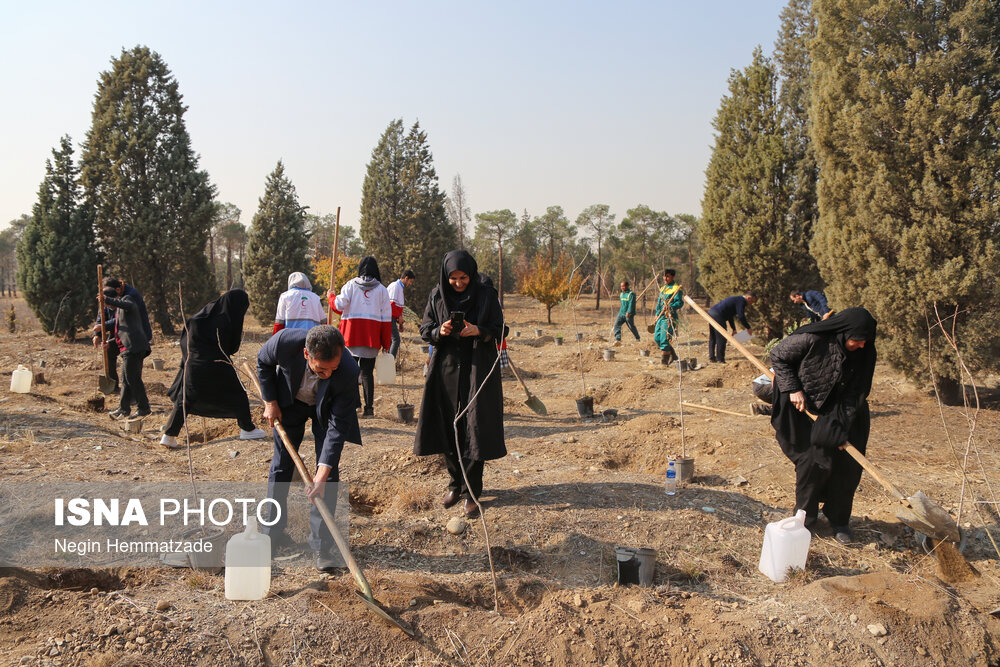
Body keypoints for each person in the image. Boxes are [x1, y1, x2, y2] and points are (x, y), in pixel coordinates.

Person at [257, 325, 362, 571]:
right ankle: (271, 534)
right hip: (289, 403)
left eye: (333, 369)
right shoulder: (285, 341)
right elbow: (263, 361)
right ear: (307, 355)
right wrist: (270, 402)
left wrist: (322, 473)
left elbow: (338, 426)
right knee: (281, 467)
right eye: (321, 369)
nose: (329, 374)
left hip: (325, 412)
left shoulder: (347, 370)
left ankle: (322, 547)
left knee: (328, 475)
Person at [769, 308, 878, 544]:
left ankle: (839, 521)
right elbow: (778, 355)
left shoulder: (865, 350)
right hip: (804, 407)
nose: (861, 346)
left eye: (865, 341)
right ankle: (805, 520)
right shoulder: (813, 338)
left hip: (844, 409)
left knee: (847, 465)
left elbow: (859, 389)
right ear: (844, 332)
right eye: (856, 340)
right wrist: (793, 389)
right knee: (812, 462)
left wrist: (842, 422)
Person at [414, 250, 506, 518]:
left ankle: (472, 493)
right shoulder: (436, 295)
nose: (458, 283)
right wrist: (437, 332)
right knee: (448, 427)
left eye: (463, 277)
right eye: (452, 278)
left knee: (473, 428)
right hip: (445, 370)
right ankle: (455, 484)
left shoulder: (486, 295)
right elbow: (424, 330)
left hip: (477, 368)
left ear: (471, 274)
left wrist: (479, 330)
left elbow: (501, 328)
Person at [159, 290, 267, 449]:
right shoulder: (227, 319)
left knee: (186, 399)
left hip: (194, 364)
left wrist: (188, 360)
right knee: (238, 395)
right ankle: (247, 429)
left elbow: (184, 342)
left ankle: (168, 436)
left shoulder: (200, 316)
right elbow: (232, 347)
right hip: (218, 363)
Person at [328, 257, 392, 418]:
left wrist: (331, 297)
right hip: (371, 337)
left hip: (351, 336)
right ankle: (369, 409)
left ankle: (355, 405)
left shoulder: (350, 285)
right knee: (367, 373)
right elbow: (386, 319)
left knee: (351, 372)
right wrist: (386, 342)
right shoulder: (382, 290)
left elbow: (338, 306)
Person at [102, 280, 153, 419]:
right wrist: (108, 343)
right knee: (126, 379)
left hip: (135, 347)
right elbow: (122, 333)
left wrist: (107, 299)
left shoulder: (128, 299)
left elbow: (128, 305)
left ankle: (144, 408)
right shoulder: (118, 310)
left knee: (133, 378)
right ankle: (124, 409)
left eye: (107, 304)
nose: (107, 307)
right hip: (127, 348)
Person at [706, 292, 756, 364]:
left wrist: (734, 329)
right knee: (722, 337)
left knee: (713, 336)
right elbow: (741, 316)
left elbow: (730, 316)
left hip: (711, 312)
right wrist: (748, 327)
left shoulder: (737, 299)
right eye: (752, 301)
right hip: (718, 315)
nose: (752, 303)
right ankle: (720, 359)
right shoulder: (741, 301)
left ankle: (712, 357)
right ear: (749, 298)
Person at [92, 277, 121, 393]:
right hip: (113, 334)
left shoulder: (122, 304)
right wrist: (97, 334)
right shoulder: (104, 305)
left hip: (124, 335)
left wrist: (103, 325)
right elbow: (100, 317)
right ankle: (113, 385)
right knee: (108, 355)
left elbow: (119, 321)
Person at [654, 269, 684, 364]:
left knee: (664, 338)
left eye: (668, 276)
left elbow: (679, 303)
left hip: (669, 317)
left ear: (672, 277)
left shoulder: (676, 289)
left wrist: (670, 307)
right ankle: (673, 355)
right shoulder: (663, 288)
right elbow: (659, 303)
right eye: (664, 276)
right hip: (660, 316)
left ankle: (664, 361)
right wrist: (656, 314)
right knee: (657, 338)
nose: (665, 278)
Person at [388, 269, 415, 358]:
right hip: (388, 317)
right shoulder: (395, 286)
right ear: (406, 278)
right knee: (396, 340)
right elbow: (391, 306)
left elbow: (398, 307)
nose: (410, 284)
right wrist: (398, 317)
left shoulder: (399, 287)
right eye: (410, 281)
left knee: (392, 341)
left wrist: (400, 322)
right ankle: (390, 363)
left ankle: (388, 363)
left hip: (392, 317)